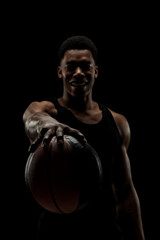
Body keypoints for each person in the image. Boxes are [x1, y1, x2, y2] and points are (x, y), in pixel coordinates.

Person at [23, 35, 145, 240]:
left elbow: (125, 194)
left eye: (86, 67)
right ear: (60, 72)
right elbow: (32, 119)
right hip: (55, 233)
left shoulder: (118, 122)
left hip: (104, 232)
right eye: (71, 67)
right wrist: (48, 124)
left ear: (95, 71)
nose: (78, 73)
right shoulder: (46, 110)